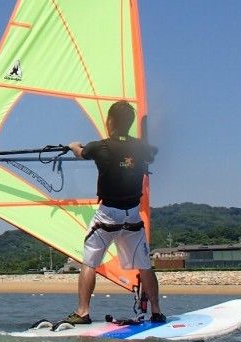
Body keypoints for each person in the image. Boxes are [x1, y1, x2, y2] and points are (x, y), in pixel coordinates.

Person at [64, 100, 165, 324]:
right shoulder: (141, 148)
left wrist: (72, 145)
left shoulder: (100, 147)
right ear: (129, 123)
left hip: (108, 215)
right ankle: (157, 312)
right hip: (132, 216)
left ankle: (82, 312)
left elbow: (80, 153)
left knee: (89, 262)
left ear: (110, 121)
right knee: (145, 265)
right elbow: (151, 154)